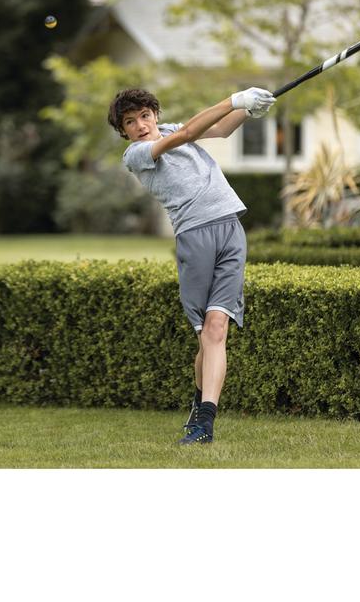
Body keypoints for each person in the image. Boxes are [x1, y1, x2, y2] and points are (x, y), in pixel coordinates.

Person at [107, 86, 276, 445]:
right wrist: (234, 100)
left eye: (145, 116)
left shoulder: (168, 129)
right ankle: (202, 415)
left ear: (155, 114)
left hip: (230, 228)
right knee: (207, 334)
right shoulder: (136, 155)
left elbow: (221, 129)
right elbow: (188, 134)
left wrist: (247, 111)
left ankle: (204, 422)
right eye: (130, 122)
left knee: (217, 329)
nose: (141, 125)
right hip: (194, 237)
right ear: (123, 131)